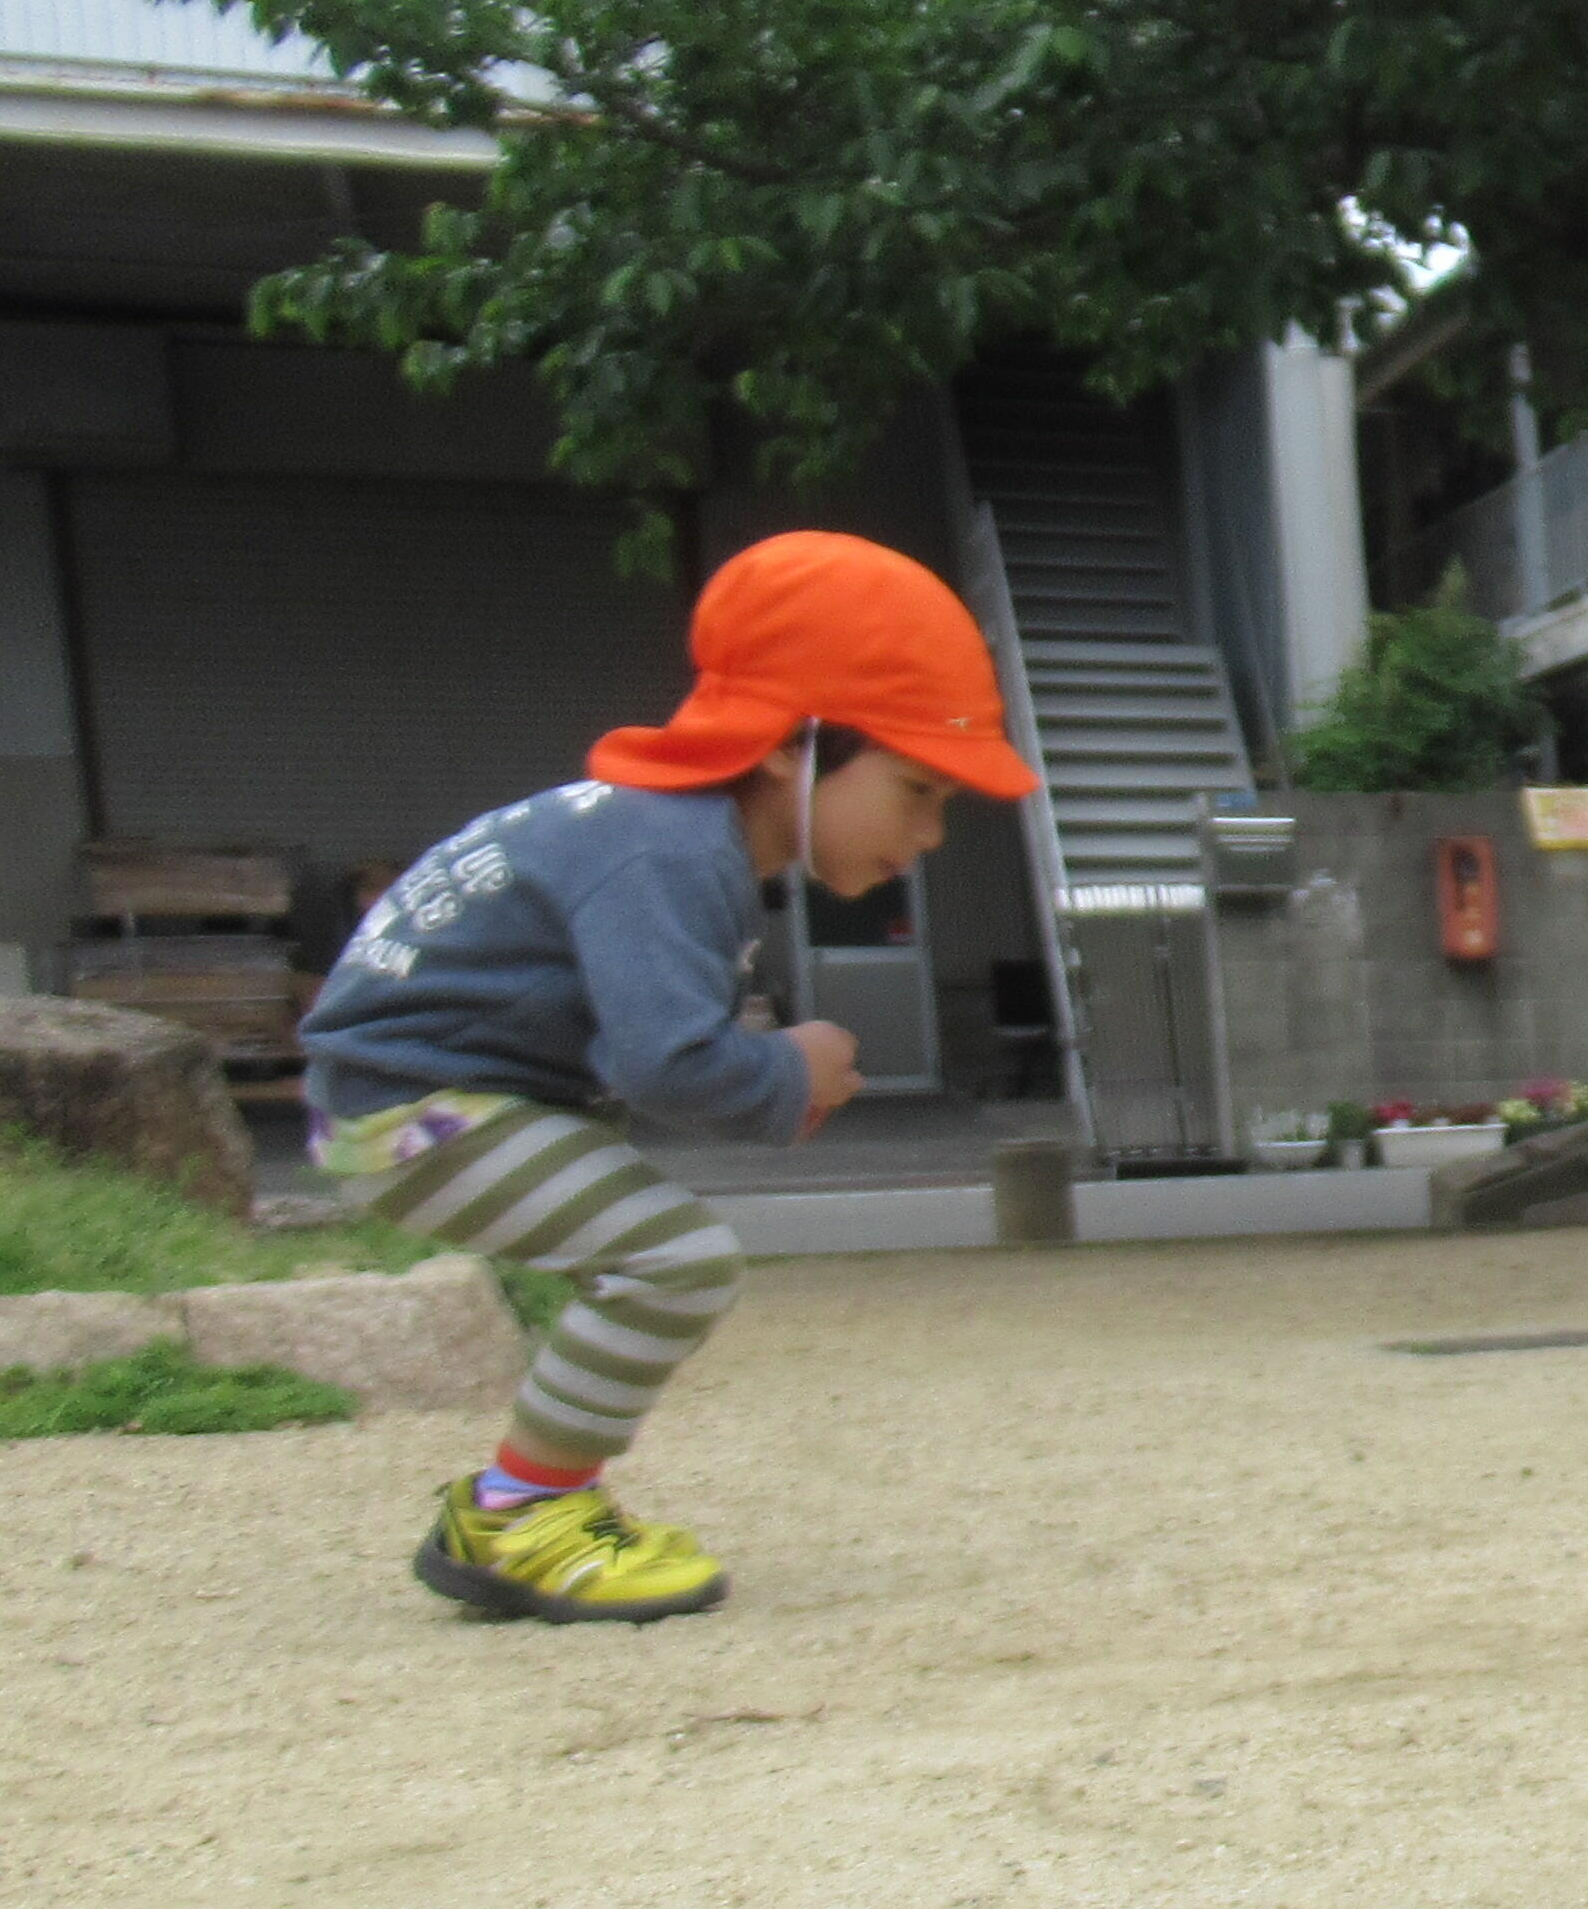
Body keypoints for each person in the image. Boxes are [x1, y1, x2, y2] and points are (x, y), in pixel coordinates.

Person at [298, 529, 1039, 1622]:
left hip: (419, 1096)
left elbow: (650, 1044)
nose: (927, 835)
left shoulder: (670, 836)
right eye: (918, 791)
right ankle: (519, 1514)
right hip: (419, 1110)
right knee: (673, 1260)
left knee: (654, 1250)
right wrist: (789, 1070)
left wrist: (762, 1076)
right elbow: (664, 1062)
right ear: (796, 744)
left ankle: (526, 1505)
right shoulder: (672, 851)